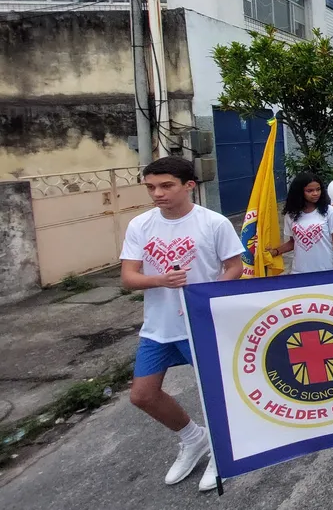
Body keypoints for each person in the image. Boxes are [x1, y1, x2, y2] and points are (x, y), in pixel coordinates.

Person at [120, 156, 243, 492]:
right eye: (151, 187)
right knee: (143, 395)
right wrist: (161, 280)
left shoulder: (213, 223)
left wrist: (207, 294)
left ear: (190, 185)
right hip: (157, 326)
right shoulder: (140, 226)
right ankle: (193, 438)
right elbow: (129, 277)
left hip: (199, 324)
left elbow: (235, 266)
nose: (157, 193)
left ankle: (223, 451)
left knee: (213, 394)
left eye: (166, 186)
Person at [270, 172, 333, 273]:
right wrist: (275, 252)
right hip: (299, 271)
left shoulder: (330, 212)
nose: (315, 193)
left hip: (325, 270)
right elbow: (293, 242)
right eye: (310, 190)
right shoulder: (290, 215)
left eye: (318, 189)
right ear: (299, 192)